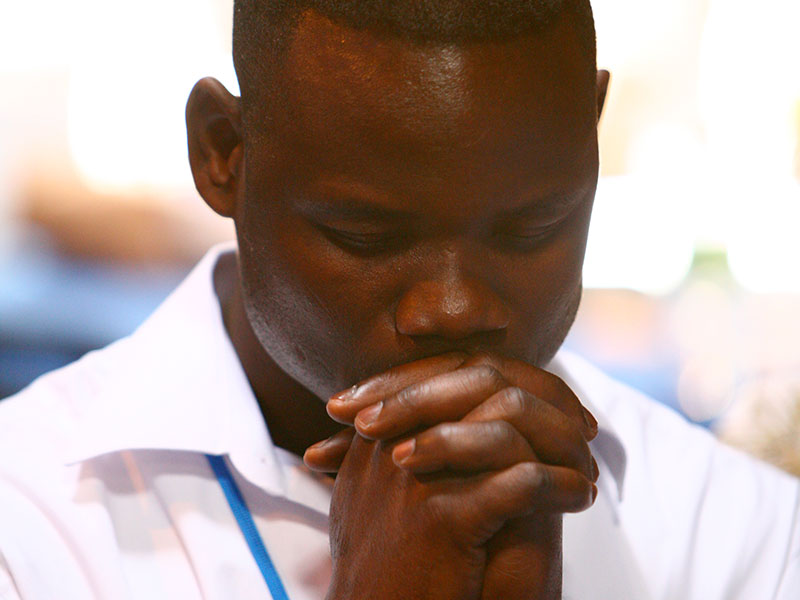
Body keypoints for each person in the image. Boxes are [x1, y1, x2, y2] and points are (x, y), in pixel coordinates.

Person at [1, 1, 798, 598]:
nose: (453, 309)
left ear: (589, 134)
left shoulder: (734, 532)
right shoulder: (30, 518)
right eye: (366, 234)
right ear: (223, 155)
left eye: (530, 227)